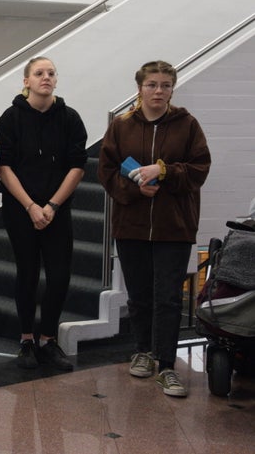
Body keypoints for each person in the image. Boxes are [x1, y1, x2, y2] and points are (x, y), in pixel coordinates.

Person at [98, 60, 210, 397]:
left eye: (165, 85)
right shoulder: (121, 126)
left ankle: (167, 366)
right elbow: (107, 171)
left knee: (169, 298)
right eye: (152, 85)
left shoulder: (187, 124)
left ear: (172, 89)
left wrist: (162, 171)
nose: (158, 91)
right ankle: (143, 351)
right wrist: (135, 189)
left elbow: (199, 169)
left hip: (174, 227)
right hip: (131, 225)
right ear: (140, 89)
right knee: (140, 295)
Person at [0, 56, 88, 372]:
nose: (45, 77)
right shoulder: (10, 118)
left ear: (56, 80)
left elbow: (77, 166)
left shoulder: (70, 118)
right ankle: (26, 340)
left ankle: (48, 339)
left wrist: (51, 206)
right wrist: (31, 206)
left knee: (60, 275)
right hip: (20, 207)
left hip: (56, 209)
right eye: (38, 73)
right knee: (28, 273)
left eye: (50, 73)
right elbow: (4, 167)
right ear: (27, 81)